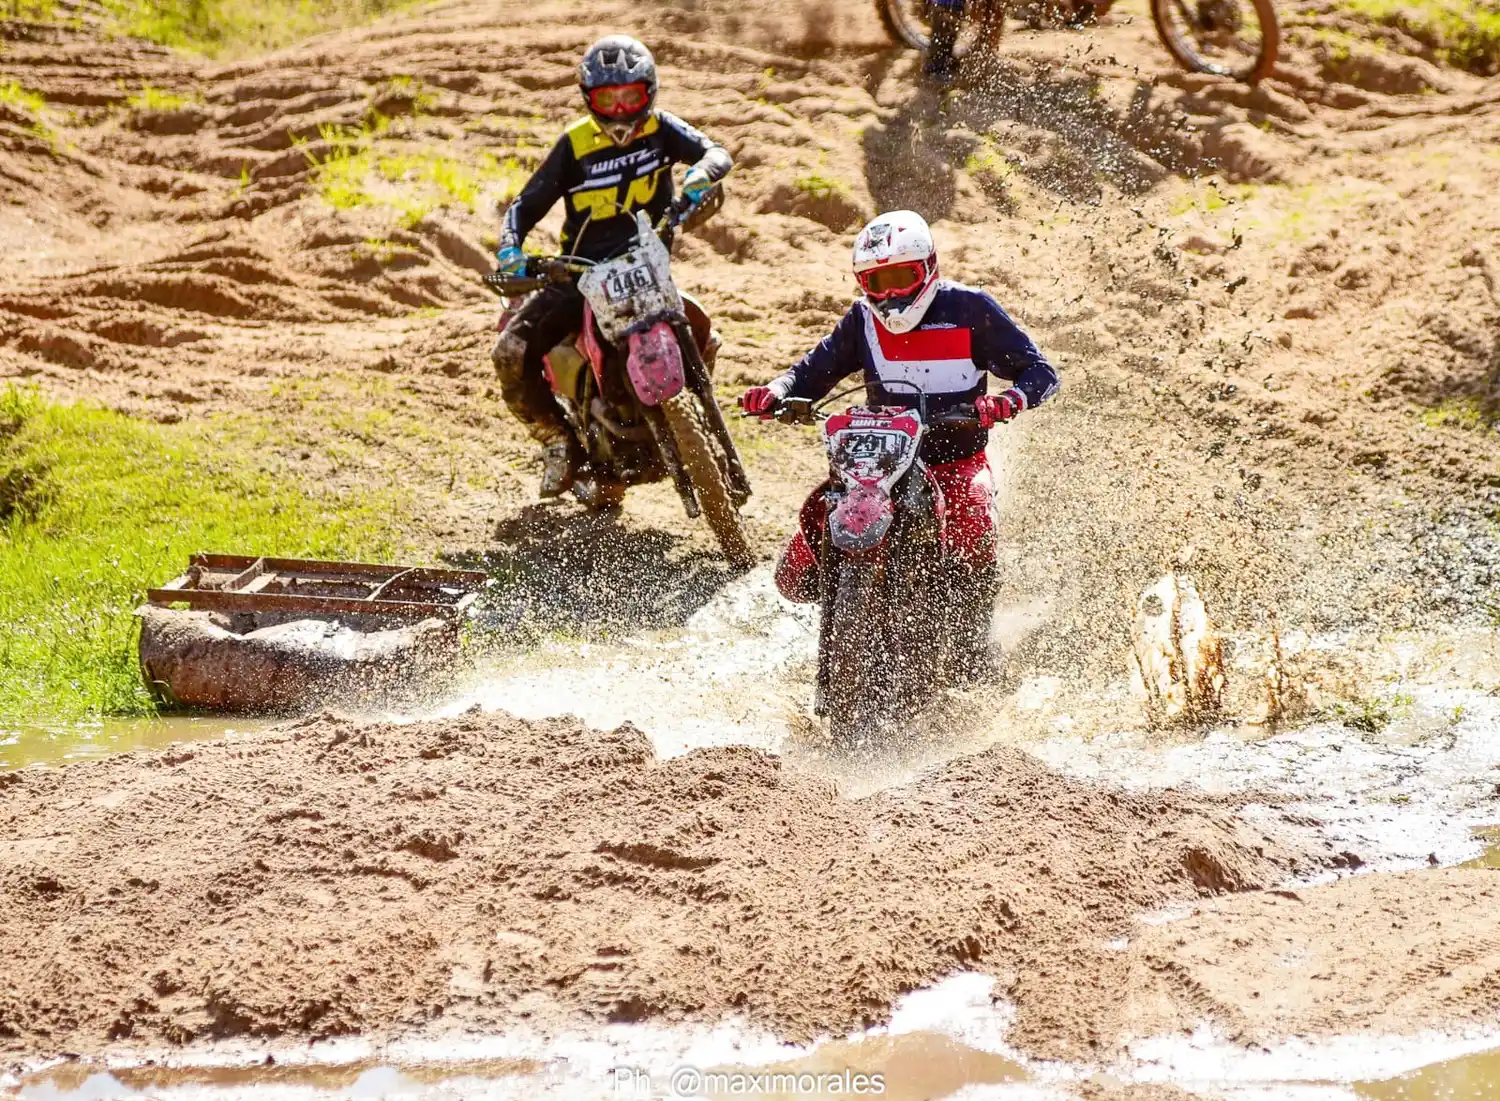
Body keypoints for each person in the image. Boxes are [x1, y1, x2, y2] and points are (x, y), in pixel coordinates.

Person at [740, 209, 1059, 678]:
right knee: (797, 565)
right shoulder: (861, 321)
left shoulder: (972, 310)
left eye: (899, 277)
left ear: (928, 268)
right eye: (875, 282)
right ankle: (847, 614)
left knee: (974, 526)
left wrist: (1010, 399)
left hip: (955, 460)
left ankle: (973, 649)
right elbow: (813, 370)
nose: (888, 294)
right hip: (875, 462)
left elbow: (1041, 372)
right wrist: (778, 392)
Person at [491, 34, 734, 498]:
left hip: (646, 265)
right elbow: (525, 205)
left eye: (631, 96)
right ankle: (559, 440)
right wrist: (511, 251)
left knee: (703, 326)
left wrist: (702, 173)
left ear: (649, 92)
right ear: (589, 98)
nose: (621, 109)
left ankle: (694, 415)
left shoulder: (662, 129)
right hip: (581, 274)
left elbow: (715, 151)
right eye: (608, 98)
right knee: (510, 351)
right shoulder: (575, 145)